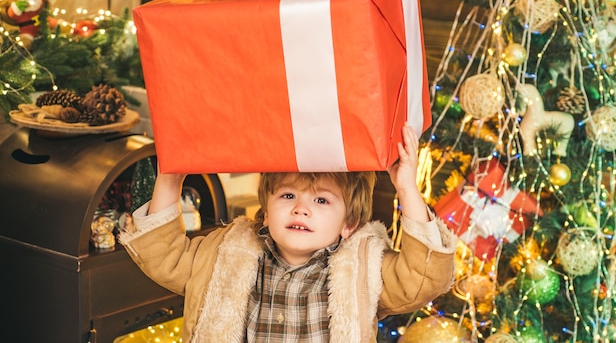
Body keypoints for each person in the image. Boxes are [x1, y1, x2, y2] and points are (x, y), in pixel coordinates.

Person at [120, 123, 457, 342]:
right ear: (266, 212)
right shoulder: (223, 253)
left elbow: (424, 276)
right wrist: (170, 178)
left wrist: (406, 188)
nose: (301, 208)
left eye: (322, 200)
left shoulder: (364, 269)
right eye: (288, 196)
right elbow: (163, 254)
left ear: (348, 225)